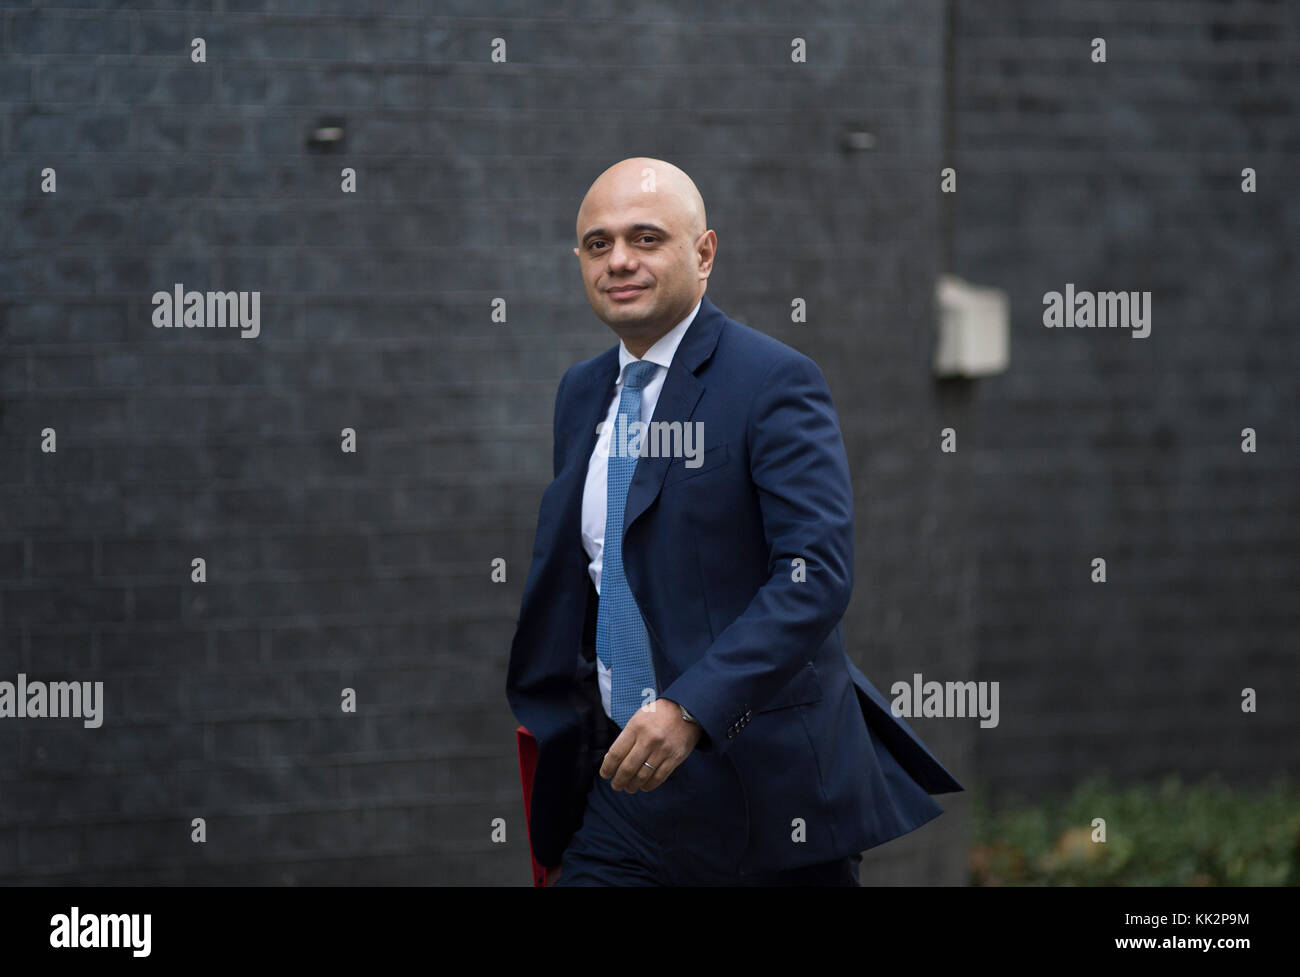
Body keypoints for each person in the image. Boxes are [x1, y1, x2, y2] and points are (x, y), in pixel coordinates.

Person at [506, 157, 962, 886]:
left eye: (645, 238)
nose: (618, 259)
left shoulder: (771, 380)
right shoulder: (581, 393)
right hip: (626, 791)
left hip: (767, 799)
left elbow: (813, 578)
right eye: (598, 244)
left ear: (704, 252)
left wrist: (690, 706)